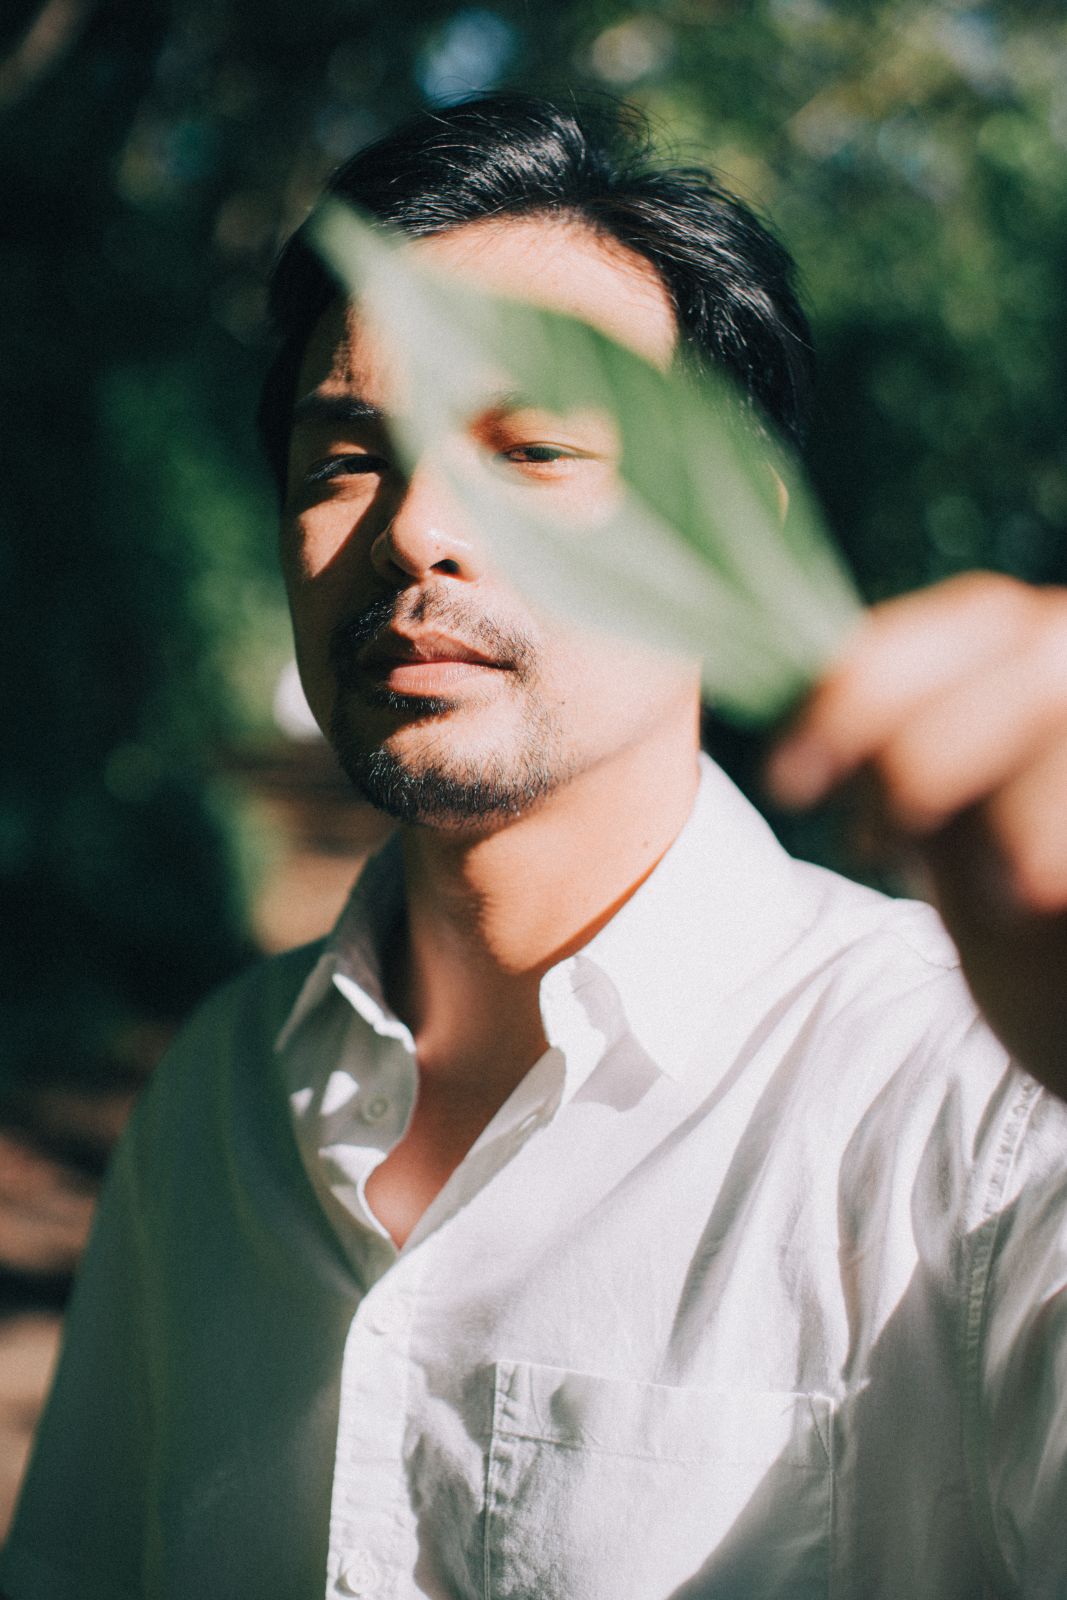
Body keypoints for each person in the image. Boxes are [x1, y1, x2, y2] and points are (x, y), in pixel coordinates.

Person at [4, 93, 1067, 1600]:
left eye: (534, 446)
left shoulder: (975, 1102)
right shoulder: (215, 1107)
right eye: (344, 458)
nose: (416, 527)